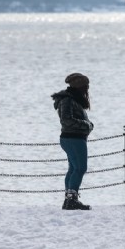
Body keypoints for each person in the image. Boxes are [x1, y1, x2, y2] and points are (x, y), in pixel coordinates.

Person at [51, 72, 94, 210]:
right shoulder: (68, 100)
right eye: (85, 86)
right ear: (79, 86)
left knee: (74, 168)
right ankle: (71, 199)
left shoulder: (72, 98)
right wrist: (86, 125)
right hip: (73, 138)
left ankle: (69, 198)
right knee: (80, 168)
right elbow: (66, 120)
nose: (87, 89)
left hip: (72, 138)